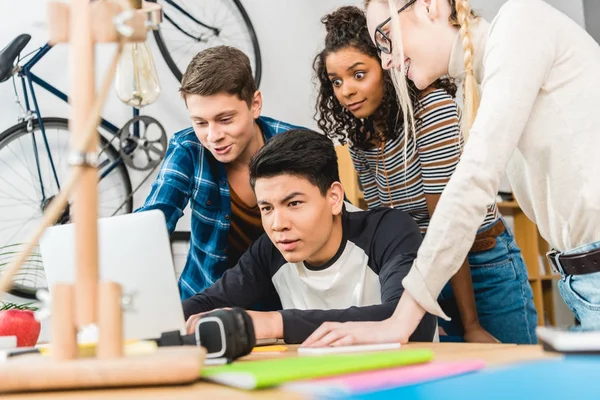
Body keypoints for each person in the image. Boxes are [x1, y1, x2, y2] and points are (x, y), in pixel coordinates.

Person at [303, 0, 600, 347]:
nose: (387, 61)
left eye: (386, 39)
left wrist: (402, 320)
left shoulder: (522, 22)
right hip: (580, 279)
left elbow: (473, 182)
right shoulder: (485, 81)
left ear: (429, 7)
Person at [182, 129, 437, 344]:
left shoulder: (388, 232)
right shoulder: (270, 250)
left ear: (334, 197)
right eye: (267, 208)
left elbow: (411, 322)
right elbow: (208, 302)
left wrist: (275, 323)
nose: (278, 225)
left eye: (293, 203)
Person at [137, 46, 300, 304]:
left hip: (285, 304)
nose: (213, 136)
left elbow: (333, 228)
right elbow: (154, 218)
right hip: (205, 301)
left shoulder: (296, 146)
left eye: (225, 119)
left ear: (254, 104)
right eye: (200, 122)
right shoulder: (188, 148)